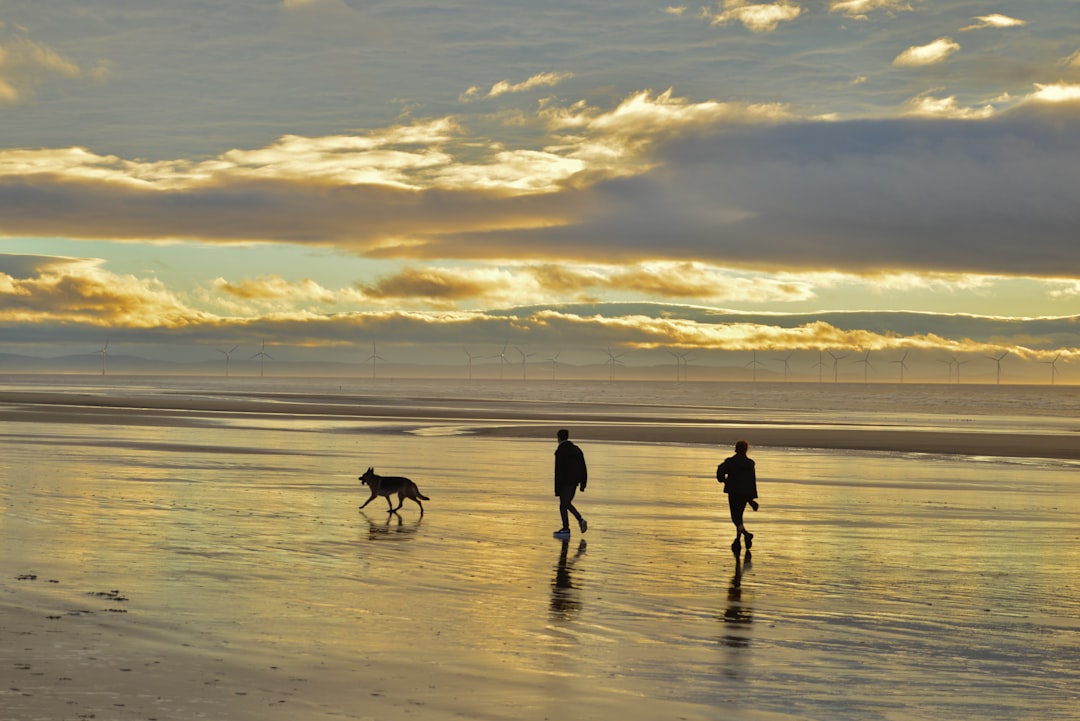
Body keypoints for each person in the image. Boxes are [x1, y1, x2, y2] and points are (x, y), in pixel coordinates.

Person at [717, 440, 758, 554]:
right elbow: (751, 482)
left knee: (735, 518)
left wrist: (724, 481)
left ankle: (746, 535)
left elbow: (720, 471)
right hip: (745, 494)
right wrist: (751, 500)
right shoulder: (750, 463)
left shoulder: (730, 462)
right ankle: (738, 540)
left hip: (734, 492)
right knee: (739, 517)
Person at [553, 428, 588, 538]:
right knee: (566, 503)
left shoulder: (560, 451)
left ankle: (567, 528)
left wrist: (557, 488)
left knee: (564, 505)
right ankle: (577, 522)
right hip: (574, 482)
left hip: (564, 482)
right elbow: (583, 467)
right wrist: (583, 483)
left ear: (559, 437)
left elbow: (558, 471)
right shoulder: (576, 449)